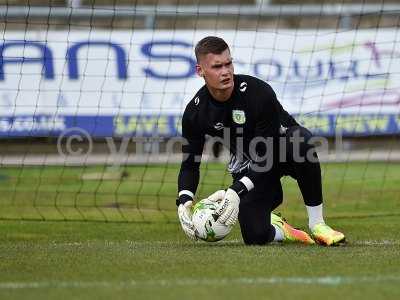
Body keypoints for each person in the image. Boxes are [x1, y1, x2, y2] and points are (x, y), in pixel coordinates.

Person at [176, 36, 345, 246]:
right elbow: (190, 165)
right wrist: (184, 200)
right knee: (255, 236)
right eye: (217, 66)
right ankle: (281, 229)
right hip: (251, 166)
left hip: (282, 150)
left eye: (228, 63)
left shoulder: (258, 93)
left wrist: (236, 190)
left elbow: (268, 152)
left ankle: (318, 225)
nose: (226, 71)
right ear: (200, 71)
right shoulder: (195, 113)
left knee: (301, 140)